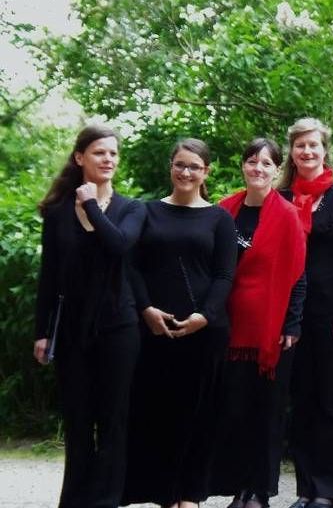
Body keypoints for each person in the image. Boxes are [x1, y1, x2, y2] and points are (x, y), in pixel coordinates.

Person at [34, 125, 145, 508]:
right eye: (100, 153)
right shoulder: (57, 212)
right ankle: (75, 499)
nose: (109, 160)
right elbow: (49, 276)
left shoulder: (132, 208)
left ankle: (106, 500)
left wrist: (93, 206)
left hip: (118, 327)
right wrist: (42, 332)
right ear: (80, 157)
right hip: (72, 330)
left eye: (113, 153)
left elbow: (118, 246)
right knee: (79, 419)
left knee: (113, 420)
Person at [123, 139, 237, 508]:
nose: (186, 172)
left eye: (194, 166)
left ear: (206, 172)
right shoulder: (147, 212)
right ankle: (164, 495)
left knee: (200, 414)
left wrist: (205, 316)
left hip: (204, 332)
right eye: (180, 165)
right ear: (170, 167)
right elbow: (132, 267)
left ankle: (191, 495)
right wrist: (146, 310)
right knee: (158, 413)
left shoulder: (219, 218)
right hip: (155, 331)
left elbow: (224, 275)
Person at [212, 139, 307, 508]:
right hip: (229, 326)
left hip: (271, 331)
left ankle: (261, 493)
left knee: (267, 412)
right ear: (242, 166)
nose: (258, 169)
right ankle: (240, 487)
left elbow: (298, 275)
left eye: (266, 163)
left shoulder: (287, 215)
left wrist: (292, 324)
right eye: (252, 161)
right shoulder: (225, 211)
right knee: (234, 409)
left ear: (276, 169)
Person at [281, 119, 333, 508]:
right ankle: (306, 488)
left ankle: (327, 490)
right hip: (289, 313)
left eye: (313, 146)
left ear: (324, 151)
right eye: (300, 146)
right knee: (301, 399)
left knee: (329, 399)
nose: (307, 152)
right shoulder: (280, 196)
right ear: (291, 152)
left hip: (330, 312)